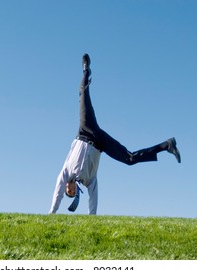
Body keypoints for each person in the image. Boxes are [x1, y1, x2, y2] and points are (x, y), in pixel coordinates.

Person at [49, 54, 181, 215]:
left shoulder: (65, 172)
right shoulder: (89, 181)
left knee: (83, 94)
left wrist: (52, 213)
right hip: (100, 143)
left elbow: (58, 190)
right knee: (130, 159)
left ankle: (85, 70)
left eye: (67, 190)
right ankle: (166, 145)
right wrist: (92, 218)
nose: (68, 189)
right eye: (71, 192)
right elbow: (94, 198)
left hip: (86, 130)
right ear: (76, 190)